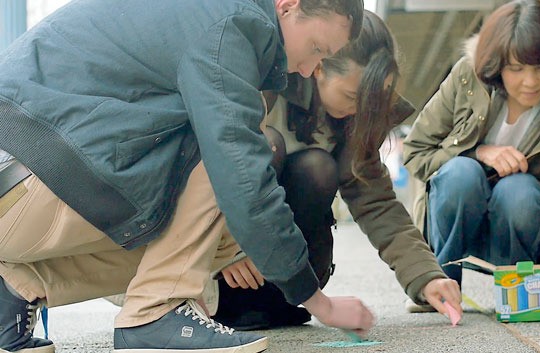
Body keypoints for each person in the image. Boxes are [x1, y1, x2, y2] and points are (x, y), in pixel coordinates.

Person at [0, 1, 372, 352]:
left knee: (226, 239)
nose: (308, 70)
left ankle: (15, 287)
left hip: (17, 190)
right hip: (19, 183)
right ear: (287, 5)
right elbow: (239, 171)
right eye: (316, 48)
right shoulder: (233, 22)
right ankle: (156, 312)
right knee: (225, 147)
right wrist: (317, 300)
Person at [208, 10, 462, 330]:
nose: (357, 110)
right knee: (265, 145)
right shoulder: (265, 85)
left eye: (368, 102)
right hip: (226, 263)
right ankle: (229, 300)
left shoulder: (354, 121)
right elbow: (216, 164)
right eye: (352, 96)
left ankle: (276, 301)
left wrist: (427, 277)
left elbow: (378, 204)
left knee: (318, 168)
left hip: (297, 275)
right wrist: (229, 248)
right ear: (319, 68)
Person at [403, 0, 540, 322]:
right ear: (497, 66)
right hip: (452, 226)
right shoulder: (468, 80)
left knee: (519, 188)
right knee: (461, 172)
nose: (530, 82)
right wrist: (478, 152)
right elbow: (416, 152)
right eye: (516, 68)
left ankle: (522, 292)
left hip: (524, 227)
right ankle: (440, 285)